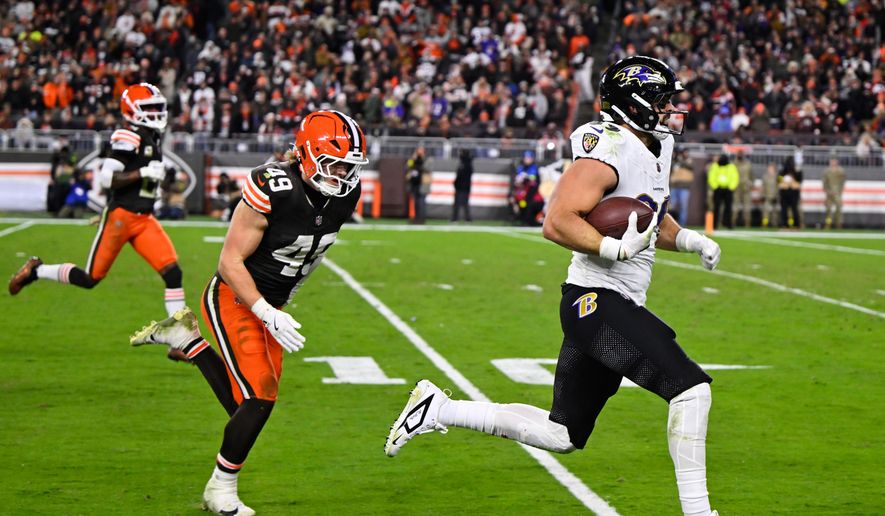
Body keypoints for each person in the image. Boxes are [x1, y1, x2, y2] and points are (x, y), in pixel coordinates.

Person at [384, 56, 721, 516]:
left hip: (602, 302)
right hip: (596, 301)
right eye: (663, 102)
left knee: (560, 434)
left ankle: (437, 409)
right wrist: (612, 249)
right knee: (690, 389)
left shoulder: (653, 148)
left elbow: (645, 214)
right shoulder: (611, 146)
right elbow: (557, 221)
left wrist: (686, 238)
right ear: (635, 104)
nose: (671, 111)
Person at [129, 110, 368, 515]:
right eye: (335, 164)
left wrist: (274, 310)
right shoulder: (272, 186)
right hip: (236, 297)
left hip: (272, 304)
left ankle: (186, 339)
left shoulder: (346, 193)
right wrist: (264, 311)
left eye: (349, 165)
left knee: (247, 406)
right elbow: (229, 261)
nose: (343, 174)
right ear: (307, 154)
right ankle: (220, 490)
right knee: (261, 396)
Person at [9, 83, 188, 321]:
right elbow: (106, 178)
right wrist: (143, 173)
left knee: (173, 274)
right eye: (150, 107)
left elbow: (143, 183)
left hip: (144, 219)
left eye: (158, 107)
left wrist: (158, 180)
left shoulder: (151, 137)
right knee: (89, 278)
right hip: (122, 218)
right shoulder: (128, 136)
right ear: (132, 110)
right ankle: (36, 271)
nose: (156, 112)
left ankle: (180, 336)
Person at [707, 153, 738, 229]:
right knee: (716, 207)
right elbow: (711, 177)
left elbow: (735, 178)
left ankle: (728, 224)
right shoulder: (715, 166)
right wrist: (715, 187)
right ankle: (714, 225)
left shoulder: (731, 167)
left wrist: (731, 188)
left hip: (728, 190)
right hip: (718, 189)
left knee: (728, 207)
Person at [406, 146, 430, 224]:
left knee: (421, 202)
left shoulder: (426, 159)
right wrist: (413, 159)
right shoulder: (413, 160)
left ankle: (421, 219)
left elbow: (426, 169)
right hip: (414, 183)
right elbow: (408, 166)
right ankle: (416, 218)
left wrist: (421, 159)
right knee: (416, 202)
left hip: (422, 184)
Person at [670, 149, 694, 227]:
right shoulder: (675, 161)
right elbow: (671, 167)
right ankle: (671, 223)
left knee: (683, 207)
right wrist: (676, 159)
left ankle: (682, 224)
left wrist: (680, 161)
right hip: (675, 186)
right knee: (671, 206)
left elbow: (691, 166)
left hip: (684, 187)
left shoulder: (689, 161)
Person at [778, 156, 802, 228]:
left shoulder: (798, 172)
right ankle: (785, 224)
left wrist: (791, 182)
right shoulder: (781, 172)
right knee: (784, 210)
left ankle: (796, 224)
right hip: (784, 194)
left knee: (794, 209)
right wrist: (787, 183)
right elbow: (780, 184)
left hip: (794, 194)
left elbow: (798, 185)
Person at [822, 158, 846, 229]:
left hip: (837, 192)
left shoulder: (841, 171)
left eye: (834, 161)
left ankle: (838, 224)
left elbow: (842, 182)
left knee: (839, 208)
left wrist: (839, 191)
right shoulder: (826, 171)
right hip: (829, 193)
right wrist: (827, 191)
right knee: (828, 209)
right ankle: (828, 224)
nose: (833, 163)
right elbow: (824, 182)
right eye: (832, 161)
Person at [732, 149, 753, 228]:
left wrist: (750, 183)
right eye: (739, 153)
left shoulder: (748, 164)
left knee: (747, 207)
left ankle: (747, 223)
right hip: (736, 187)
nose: (740, 155)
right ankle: (732, 222)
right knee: (735, 206)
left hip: (746, 187)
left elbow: (752, 175)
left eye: (741, 153)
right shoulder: (733, 164)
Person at [451, 148, 473, 222]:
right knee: (464, 204)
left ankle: (457, 218)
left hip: (462, 187)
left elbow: (461, 176)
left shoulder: (466, 164)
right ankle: (466, 218)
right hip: (464, 187)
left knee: (460, 203)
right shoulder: (467, 163)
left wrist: (456, 183)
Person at [761, 163, 780, 228]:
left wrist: (777, 196)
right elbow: (763, 187)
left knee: (774, 212)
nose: (770, 170)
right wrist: (763, 195)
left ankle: (774, 224)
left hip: (775, 196)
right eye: (769, 168)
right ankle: (765, 224)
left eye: (771, 168)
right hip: (767, 196)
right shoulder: (765, 176)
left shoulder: (778, 176)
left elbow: (779, 186)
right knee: (765, 212)